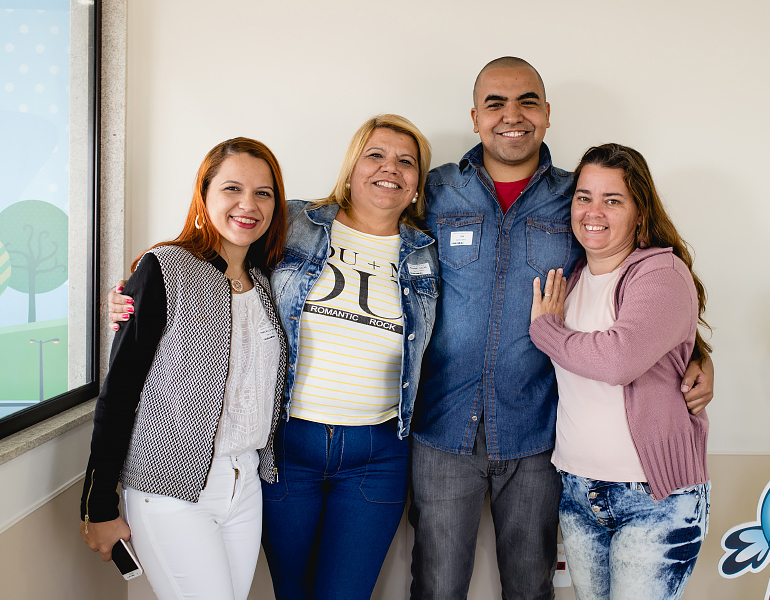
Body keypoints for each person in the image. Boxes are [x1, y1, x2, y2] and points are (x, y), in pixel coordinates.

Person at [408, 57, 714, 600]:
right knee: (436, 586)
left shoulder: (577, 196)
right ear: (475, 117)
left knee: (532, 588)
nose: (512, 115)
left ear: (547, 113)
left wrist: (696, 354)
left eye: (527, 102)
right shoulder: (435, 191)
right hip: (443, 425)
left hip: (537, 433)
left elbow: (639, 281)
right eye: (495, 104)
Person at [106, 115, 439, 599]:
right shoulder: (298, 222)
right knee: (292, 590)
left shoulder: (429, 251)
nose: (390, 168)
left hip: (377, 451)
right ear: (351, 169)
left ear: (417, 183)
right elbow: (220, 253)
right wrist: (138, 290)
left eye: (406, 161)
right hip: (287, 447)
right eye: (375, 155)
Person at [80, 137, 289, 600]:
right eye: (232, 189)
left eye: (263, 193)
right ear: (204, 194)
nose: (248, 205)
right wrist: (98, 504)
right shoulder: (164, 267)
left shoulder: (266, 281)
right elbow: (120, 391)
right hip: (169, 488)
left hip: (246, 485)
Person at [529, 143, 711, 600]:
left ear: (640, 212)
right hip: (577, 490)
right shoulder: (571, 279)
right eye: (584, 197)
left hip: (652, 498)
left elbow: (618, 360)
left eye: (613, 200)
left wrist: (547, 332)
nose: (594, 212)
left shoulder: (661, 272)